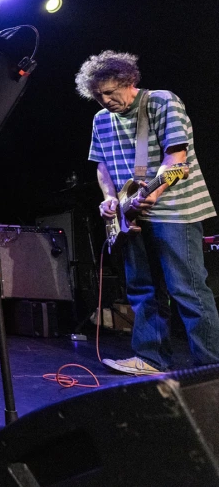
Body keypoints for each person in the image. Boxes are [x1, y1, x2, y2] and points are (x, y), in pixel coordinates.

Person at [77, 50, 219, 375]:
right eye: (98, 95)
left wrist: (153, 192)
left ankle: (211, 368)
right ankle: (151, 359)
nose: (105, 100)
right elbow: (101, 165)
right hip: (131, 214)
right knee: (143, 290)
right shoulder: (101, 120)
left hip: (176, 210)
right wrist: (109, 198)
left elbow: (177, 161)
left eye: (111, 92)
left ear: (130, 81)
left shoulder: (161, 102)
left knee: (188, 289)